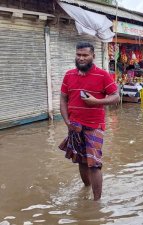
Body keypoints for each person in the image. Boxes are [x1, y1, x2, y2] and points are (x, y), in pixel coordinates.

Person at [59, 42, 120, 201]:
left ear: (93, 56)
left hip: (95, 126)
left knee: (94, 163)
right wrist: (67, 122)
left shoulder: (102, 75)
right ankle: (85, 191)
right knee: (81, 161)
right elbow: (63, 99)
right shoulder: (69, 75)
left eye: (85, 55)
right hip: (74, 126)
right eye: (78, 55)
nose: (81, 58)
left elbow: (116, 97)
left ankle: (96, 203)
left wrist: (96, 102)